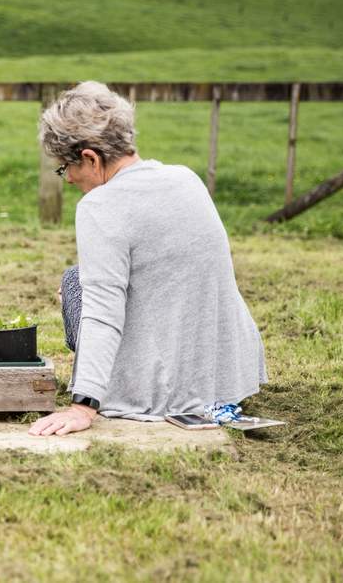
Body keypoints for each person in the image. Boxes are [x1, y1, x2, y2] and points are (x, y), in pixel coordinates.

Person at [28, 81, 266, 436]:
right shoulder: (186, 178)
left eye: (66, 168)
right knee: (84, 279)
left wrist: (83, 406)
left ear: (90, 158)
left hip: (160, 391)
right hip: (229, 375)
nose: (69, 179)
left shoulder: (100, 206)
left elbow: (103, 311)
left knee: (75, 282)